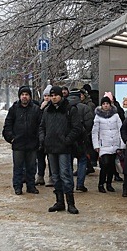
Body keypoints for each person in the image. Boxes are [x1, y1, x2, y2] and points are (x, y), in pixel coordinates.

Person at [39, 85, 82, 214]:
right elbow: (42, 127)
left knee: (65, 175)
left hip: (64, 148)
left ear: (61, 95)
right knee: (55, 176)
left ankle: (71, 203)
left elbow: (76, 128)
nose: (53, 98)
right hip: (51, 147)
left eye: (55, 95)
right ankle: (59, 201)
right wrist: (44, 139)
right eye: (51, 96)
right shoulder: (47, 110)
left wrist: (67, 140)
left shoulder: (70, 109)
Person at [2, 85, 41, 195]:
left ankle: (31, 186)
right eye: (22, 95)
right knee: (18, 167)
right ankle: (17, 187)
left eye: (26, 95)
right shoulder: (14, 109)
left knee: (31, 167)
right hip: (18, 144)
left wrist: (38, 139)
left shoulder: (36, 109)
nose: (24, 97)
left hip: (32, 144)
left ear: (30, 96)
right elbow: (7, 125)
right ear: (20, 96)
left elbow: (40, 125)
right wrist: (11, 138)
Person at [92, 95, 125, 193]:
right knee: (105, 164)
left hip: (115, 143)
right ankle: (101, 184)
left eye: (107, 104)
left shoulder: (116, 115)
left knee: (111, 165)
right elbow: (95, 132)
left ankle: (109, 184)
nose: (106, 106)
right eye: (104, 104)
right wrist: (96, 145)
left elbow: (120, 129)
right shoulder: (98, 117)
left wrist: (121, 144)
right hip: (104, 144)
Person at [67, 88, 94, 192]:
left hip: (69, 140)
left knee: (68, 163)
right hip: (81, 140)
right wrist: (85, 134)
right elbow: (89, 123)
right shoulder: (85, 108)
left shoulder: (66, 108)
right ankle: (80, 184)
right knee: (82, 161)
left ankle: (69, 184)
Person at [35, 84, 53, 187]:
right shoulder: (39, 107)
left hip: (50, 137)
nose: (47, 98)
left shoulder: (54, 108)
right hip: (40, 137)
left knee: (51, 159)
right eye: (45, 96)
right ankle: (40, 176)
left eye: (49, 96)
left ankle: (51, 177)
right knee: (40, 158)